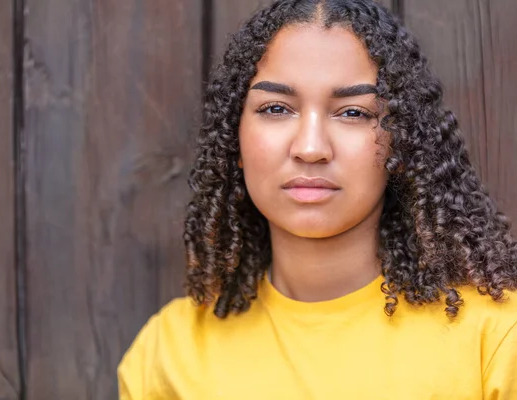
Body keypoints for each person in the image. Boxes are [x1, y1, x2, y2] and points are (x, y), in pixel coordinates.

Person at [118, 0, 517, 398]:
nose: (311, 148)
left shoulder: (497, 339)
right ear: (233, 139)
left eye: (353, 113)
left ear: (402, 142)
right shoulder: (168, 355)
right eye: (276, 108)